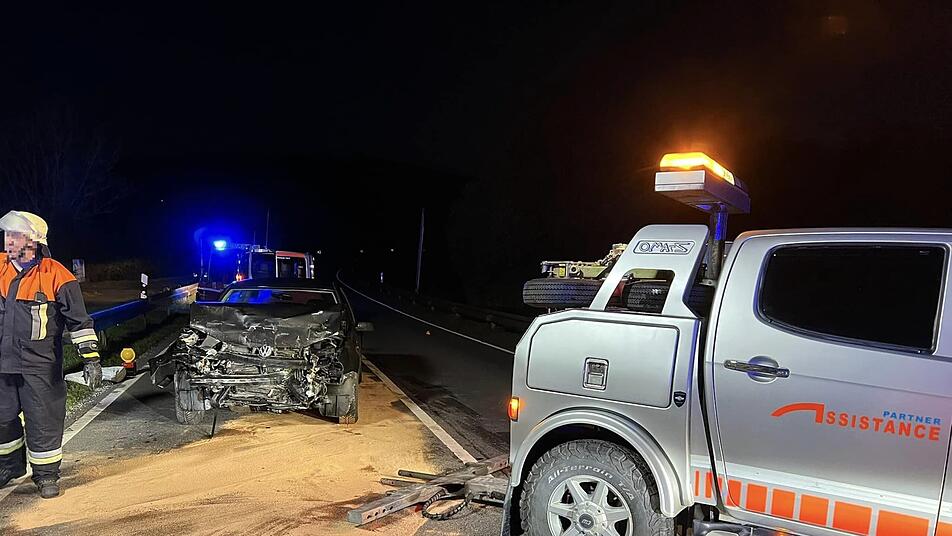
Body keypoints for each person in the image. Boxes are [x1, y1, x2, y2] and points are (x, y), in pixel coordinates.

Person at [0, 211, 101, 498]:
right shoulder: (0, 268)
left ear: (34, 241)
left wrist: (91, 358)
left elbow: (79, 322)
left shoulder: (57, 275)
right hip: (2, 364)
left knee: (43, 420)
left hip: (39, 365)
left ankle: (46, 475)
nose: (9, 241)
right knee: (2, 419)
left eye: (16, 236)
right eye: (7, 235)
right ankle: (9, 467)